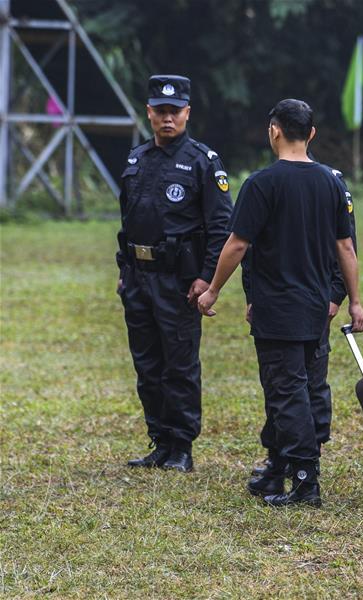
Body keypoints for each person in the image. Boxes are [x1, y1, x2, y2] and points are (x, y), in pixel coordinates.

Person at [196, 99, 363, 508]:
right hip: (315, 308)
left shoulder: (262, 184)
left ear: (273, 130)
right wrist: (355, 302)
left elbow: (238, 244)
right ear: (311, 134)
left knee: (286, 394)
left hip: (278, 308)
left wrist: (214, 289)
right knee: (306, 388)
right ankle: (277, 467)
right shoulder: (330, 181)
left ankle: (305, 481)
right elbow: (345, 246)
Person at [116, 74, 233, 473]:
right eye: (160, 111)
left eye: (175, 111)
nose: (168, 118)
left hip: (178, 281)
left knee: (179, 365)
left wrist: (206, 278)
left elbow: (221, 227)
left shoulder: (203, 162)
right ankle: (159, 440)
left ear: (187, 113)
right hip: (137, 278)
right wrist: (122, 270)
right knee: (147, 364)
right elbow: (126, 221)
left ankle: (181, 446)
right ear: (149, 113)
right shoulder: (137, 159)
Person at [245, 161, 357, 479]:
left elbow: (346, 246)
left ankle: (308, 461)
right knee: (280, 383)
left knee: (310, 382)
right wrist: (251, 295)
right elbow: (255, 249)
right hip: (276, 301)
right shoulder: (270, 180)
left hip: (315, 300)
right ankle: (280, 458)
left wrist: (336, 297)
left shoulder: (329, 181)